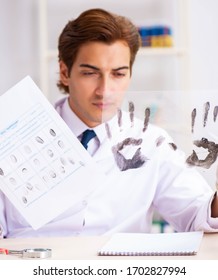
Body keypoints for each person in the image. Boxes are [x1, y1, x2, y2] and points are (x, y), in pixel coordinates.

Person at [1, 8, 218, 238]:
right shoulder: (11, 136)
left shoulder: (153, 143)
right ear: (65, 72)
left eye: (118, 74)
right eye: (90, 73)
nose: (105, 91)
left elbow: (200, 216)